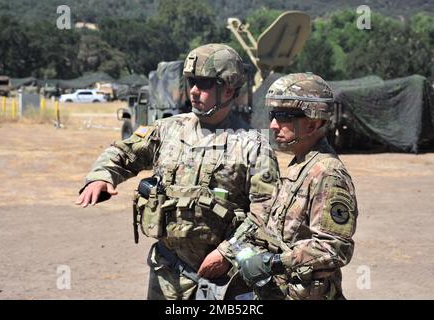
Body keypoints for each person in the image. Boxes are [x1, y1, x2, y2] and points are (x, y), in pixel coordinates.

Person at [75, 43, 279, 300]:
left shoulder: (253, 145)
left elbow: (268, 215)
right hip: (167, 274)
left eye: (205, 84)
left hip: (224, 280)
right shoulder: (167, 130)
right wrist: (102, 176)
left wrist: (228, 252)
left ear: (229, 88)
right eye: (191, 81)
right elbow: (122, 153)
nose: (194, 91)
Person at [220, 73, 358, 300]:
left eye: (284, 116)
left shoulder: (328, 173)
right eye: (273, 115)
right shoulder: (300, 164)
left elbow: (334, 248)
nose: (273, 125)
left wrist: (273, 262)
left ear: (313, 123)